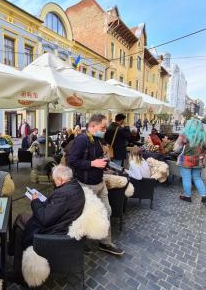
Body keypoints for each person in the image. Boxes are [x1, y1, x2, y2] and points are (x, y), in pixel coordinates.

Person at [8, 165, 85, 279]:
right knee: (21, 220)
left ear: (61, 180)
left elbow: (44, 218)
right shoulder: (76, 186)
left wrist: (35, 201)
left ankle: (18, 271)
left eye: (54, 180)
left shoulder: (63, 194)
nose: (54, 183)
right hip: (62, 223)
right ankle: (13, 250)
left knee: (20, 223)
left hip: (55, 231)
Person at [68, 113, 124, 255]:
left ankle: (105, 242)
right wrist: (93, 163)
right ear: (93, 126)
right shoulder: (81, 140)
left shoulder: (98, 139)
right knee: (86, 214)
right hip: (87, 185)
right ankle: (82, 242)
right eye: (103, 127)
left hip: (100, 183)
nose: (105, 130)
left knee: (107, 211)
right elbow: (72, 161)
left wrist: (104, 164)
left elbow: (97, 158)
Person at [174, 118, 206, 204]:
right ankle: (204, 196)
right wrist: (202, 153)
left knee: (186, 178)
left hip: (186, 160)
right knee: (197, 178)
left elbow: (176, 149)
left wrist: (180, 151)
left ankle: (187, 196)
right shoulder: (205, 136)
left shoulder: (184, 134)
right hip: (199, 160)